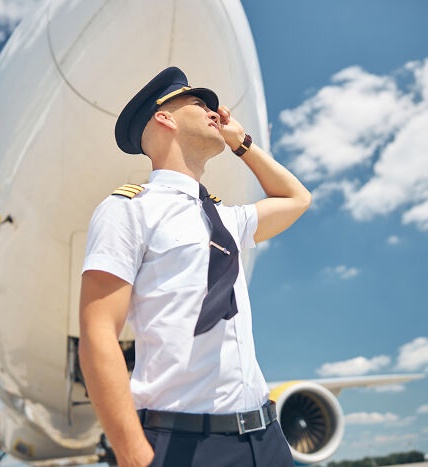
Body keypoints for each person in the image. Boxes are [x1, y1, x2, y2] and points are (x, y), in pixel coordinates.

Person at [78, 67, 311, 467]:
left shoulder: (227, 219)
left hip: (266, 439)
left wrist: (243, 144)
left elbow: (296, 198)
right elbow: (98, 333)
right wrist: (133, 455)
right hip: (183, 445)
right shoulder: (128, 210)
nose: (215, 112)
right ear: (164, 117)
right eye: (200, 104)